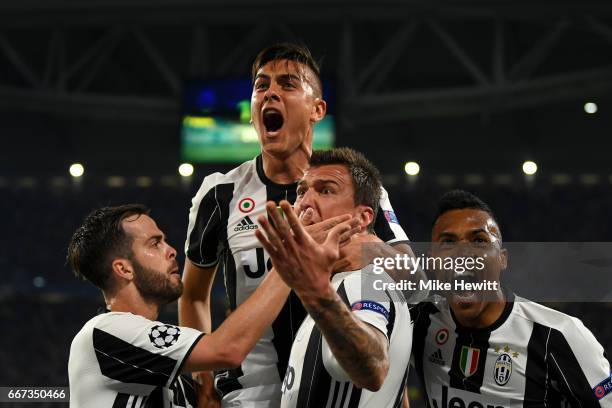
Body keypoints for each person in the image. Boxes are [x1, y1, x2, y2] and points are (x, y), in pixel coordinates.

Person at [181, 43, 412, 407]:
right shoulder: (220, 193)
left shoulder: (357, 191)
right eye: (261, 85)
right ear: (254, 111)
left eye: (288, 84)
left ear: (317, 109)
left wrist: (366, 247)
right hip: (248, 396)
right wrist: (202, 380)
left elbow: (411, 280)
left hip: (334, 391)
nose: (271, 91)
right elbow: (193, 294)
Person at [66, 204, 356, 407]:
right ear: (123, 269)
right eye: (155, 244)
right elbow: (227, 349)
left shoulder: (163, 369)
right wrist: (288, 261)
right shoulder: (104, 333)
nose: (171, 250)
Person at [410, 190, 612, 407]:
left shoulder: (559, 335)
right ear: (432, 262)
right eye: (448, 242)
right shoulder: (418, 321)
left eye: (479, 240)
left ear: (502, 259)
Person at [256, 148, 413, 408]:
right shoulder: (335, 286)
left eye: (326, 190)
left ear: (362, 218)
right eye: (301, 191)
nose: (305, 203)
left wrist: (314, 291)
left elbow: (372, 368)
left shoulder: (362, 279)